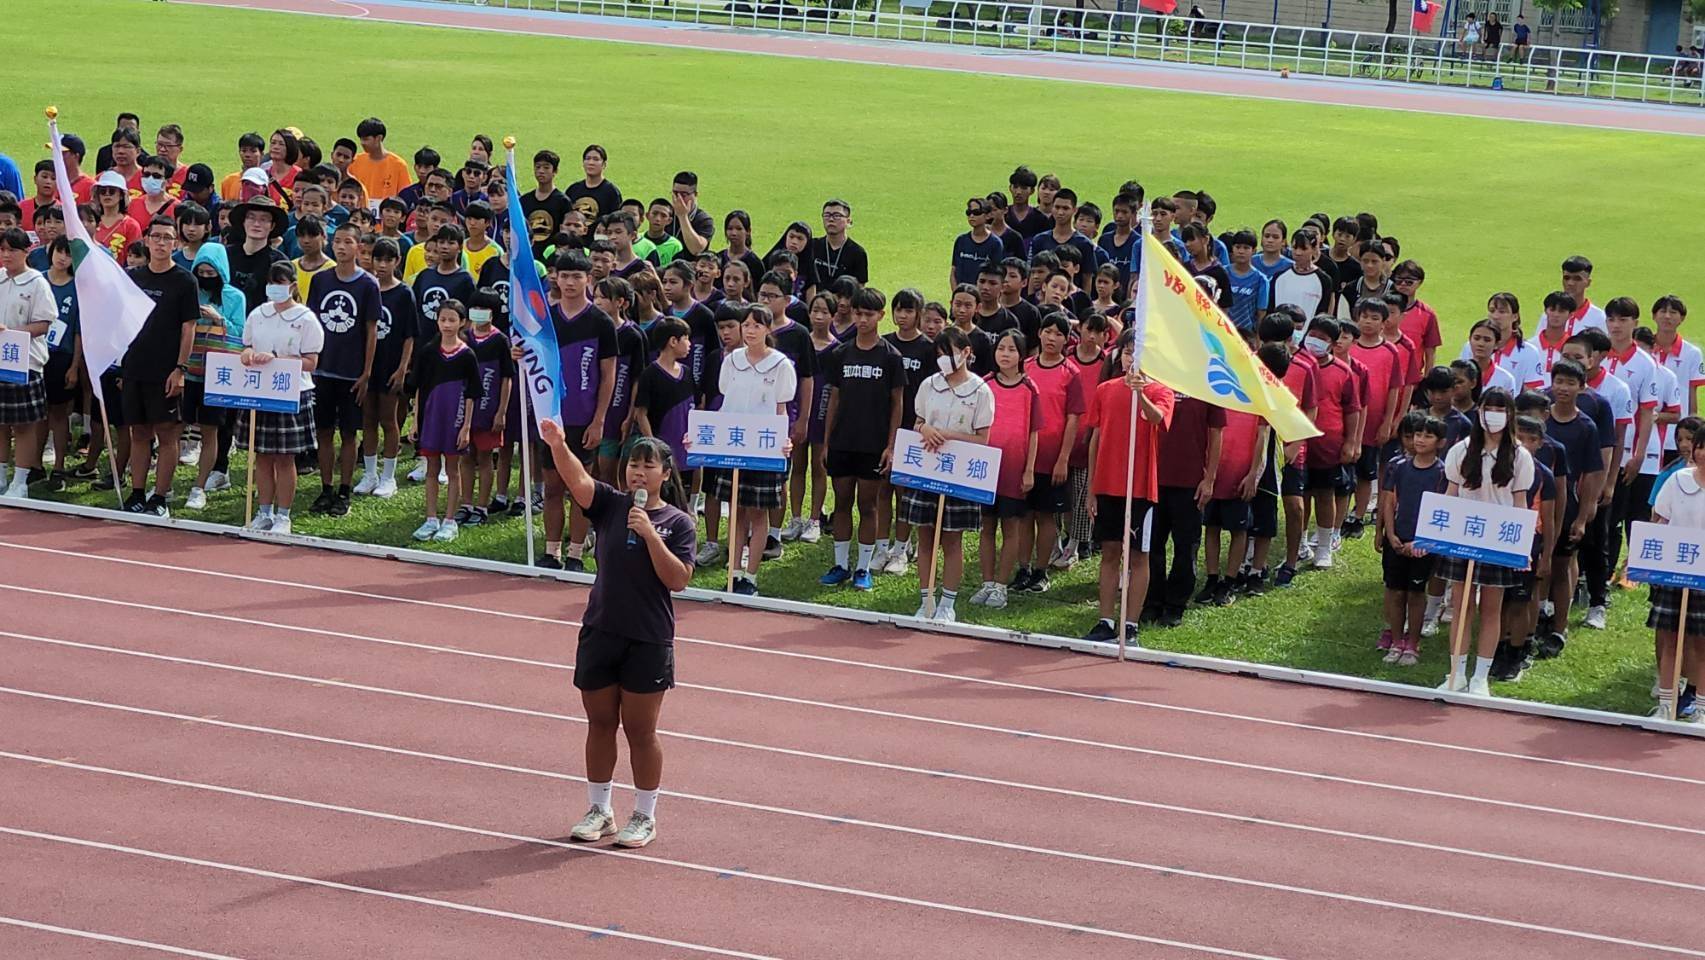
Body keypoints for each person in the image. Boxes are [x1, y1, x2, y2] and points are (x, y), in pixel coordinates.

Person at [540, 415, 694, 850]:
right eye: (632, 464)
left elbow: (678, 579)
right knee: (599, 722)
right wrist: (557, 444)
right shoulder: (609, 504)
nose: (637, 472)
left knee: (640, 731)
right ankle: (599, 809)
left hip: (647, 638)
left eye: (647, 466)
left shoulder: (678, 523)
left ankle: (644, 815)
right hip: (601, 630)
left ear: (665, 473)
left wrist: (650, 535)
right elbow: (576, 478)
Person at [1437, 388, 1535, 697]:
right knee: (1461, 604)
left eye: (1500, 409)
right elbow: (1451, 494)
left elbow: (1521, 502)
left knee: (1491, 608)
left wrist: (1523, 547)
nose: (1492, 414)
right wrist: (1436, 531)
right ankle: (1456, 673)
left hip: (1498, 536)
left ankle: (1481, 676)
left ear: (1510, 415)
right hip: (1463, 535)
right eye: (1487, 408)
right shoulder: (1461, 450)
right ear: (1478, 411)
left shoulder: (1519, 455)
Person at [1081, 328, 1175, 644]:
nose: (1131, 358)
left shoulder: (1162, 391)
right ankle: (1106, 620)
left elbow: (1157, 418)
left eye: (1139, 353)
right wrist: (1092, 488)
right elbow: (1095, 439)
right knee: (1109, 553)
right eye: (1127, 352)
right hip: (1108, 486)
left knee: (1138, 556)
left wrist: (1140, 393)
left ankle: (1130, 624)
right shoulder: (1105, 390)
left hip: (1140, 489)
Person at [705, 304, 798, 596]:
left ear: (768, 329)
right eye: (746, 325)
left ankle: (751, 577)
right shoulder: (732, 361)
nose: (751, 331)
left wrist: (784, 440)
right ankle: (733, 572)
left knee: (758, 514)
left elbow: (782, 408)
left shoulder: (781, 365)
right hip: (735, 446)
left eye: (757, 325)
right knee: (736, 511)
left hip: (764, 447)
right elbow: (724, 400)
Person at [907, 326, 995, 622]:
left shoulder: (981, 391)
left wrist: (948, 435)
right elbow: (918, 420)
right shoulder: (930, 385)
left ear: (967, 353)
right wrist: (925, 429)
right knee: (926, 537)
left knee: (952, 540)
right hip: (926, 470)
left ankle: (948, 603)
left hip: (958, 473)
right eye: (940, 354)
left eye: (951, 354)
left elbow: (982, 439)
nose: (944, 360)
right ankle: (926, 599)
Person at [820, 286, 904, 591]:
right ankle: (841, 564)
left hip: (873, 444)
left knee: (868, 506)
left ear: (881, 315)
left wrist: (891, 446)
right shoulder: (840, 353)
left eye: (869, 314)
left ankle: (863, 568)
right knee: (841, 503)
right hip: (843, 442)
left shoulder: (891, 357)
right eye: (858, 313)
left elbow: (898, 403)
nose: (863, 319)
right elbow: (834, 400)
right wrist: (827, 442)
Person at [540, 249, 617, 571]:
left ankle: (575, 553)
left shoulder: (600, 321)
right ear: (556, 277)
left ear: (589, 279)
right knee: (553, 486)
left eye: (577, 276)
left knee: (580, 488)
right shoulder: (546, 318)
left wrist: (598, 419)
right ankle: (551, 551)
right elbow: (533, 358)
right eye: (564, 275)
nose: (570, 282)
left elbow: (608, 374)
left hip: (582, 418)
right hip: (550, 417)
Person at [120, 216, 197, 515]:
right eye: (157, 237)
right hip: (135, 367)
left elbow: (188, 327)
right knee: (139, 433)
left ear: (175, 243)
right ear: (148, 240)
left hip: (166, 371)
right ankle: (137, 493)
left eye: (167, 238)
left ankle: (160, 497)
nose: (162, 243)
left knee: (167, 434)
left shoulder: (184, 281)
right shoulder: (135, 277)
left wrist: (180, 369)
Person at [241, 262, 323, 534]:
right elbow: (247, 345)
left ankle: (283, 516)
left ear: (293, 285)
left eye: (282, 282)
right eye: (272, 282)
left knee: (285, 458)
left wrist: (279, 359)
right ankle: (264, 512)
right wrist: (248, 354)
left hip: (291, 391)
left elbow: (311, 361)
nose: (276, 288)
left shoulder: (305, 318)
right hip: (260, 391)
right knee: (262, 456)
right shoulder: (258, 314)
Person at [306, 226, 381, 516]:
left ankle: (345, 490)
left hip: (352, 372)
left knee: (349, 433)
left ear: (358, 246)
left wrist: (366, 372)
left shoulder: (368, 285)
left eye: (347, 242)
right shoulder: (320, 280)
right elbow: (311, 322)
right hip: (323, 371)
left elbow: (371, 330)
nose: (341, 247)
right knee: (324, 431)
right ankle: (326, 488)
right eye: (336, 241)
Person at [973, 330, 1039, 609]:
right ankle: (987, 583)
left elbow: (1034, 433)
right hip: (985, 468)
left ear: (1021, 355)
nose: (1005, 354)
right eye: (1001, 348)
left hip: (1014, 468)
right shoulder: (984, 384)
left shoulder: (1029, 388)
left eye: (1012, 350)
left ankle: (1001, 586)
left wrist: (1029, 470)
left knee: (1010, 528)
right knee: (986, 527)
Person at [410, 300, 483, 543]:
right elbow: (419, 388)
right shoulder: (428, 352)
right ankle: (431, 518)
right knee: (431, 469)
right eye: (443, 319)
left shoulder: (467, 355)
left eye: (453, 320)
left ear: (462, 322)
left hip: (456, 417)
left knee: (453, 470)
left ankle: (450, 520)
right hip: (431, 417)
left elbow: (473, 393)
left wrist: (467, 426)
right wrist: (414, 421)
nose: (447, 324)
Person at [179, 242, 245, 511]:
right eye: (201, 272)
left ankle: (200, 486)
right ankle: (166, 484)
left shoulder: (235, 297)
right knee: (175, 428)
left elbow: (241, 334)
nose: (206, 278)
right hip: (189, 370)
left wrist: (219, 319)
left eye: (211, 272)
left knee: (211, 431)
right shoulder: (189, 292)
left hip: (218, 375)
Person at [1378, 415, 1448, 666]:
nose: (1420, 440)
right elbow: (1389, 501)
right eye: (1418, 434)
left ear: (1440, 442)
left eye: (1428, 436)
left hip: (1424, 543)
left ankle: (1412, 643)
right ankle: (1396, 641)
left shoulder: (1442, 473)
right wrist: (1391, 534)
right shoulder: (1398, 466)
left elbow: (1443, 508)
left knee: (1416, 593)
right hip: (1397, 538)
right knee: (1396, 591)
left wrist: (1422, 542)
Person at [354, 237, 416, 499]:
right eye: (377, 259)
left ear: (397, 262)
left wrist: (403, 368)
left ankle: (389, 476)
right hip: (369, 366)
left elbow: (410, 335)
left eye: (387, 260)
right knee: (368, 419)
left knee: (389, 421)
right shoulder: (368, 288)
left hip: (391, 365)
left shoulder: (404, 294)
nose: (381, 265)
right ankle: (369, 473)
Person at [0, 229, 56, 499]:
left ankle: (20, 480)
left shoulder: (37, 283)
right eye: (2, 250)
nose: (6, 255)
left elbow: (44, 323)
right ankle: (1, 475)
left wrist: (13, 333)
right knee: (0, 424)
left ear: (26, 252)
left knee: (22, 425)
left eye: (12, 250)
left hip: (25, 362)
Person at [457, 294, 514, 527]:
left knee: (485, 456)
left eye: (484, 308)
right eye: (475, 307)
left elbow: (507, 378)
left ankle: (482, 506)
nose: (478, 312)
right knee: (466, 456)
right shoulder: (464, 337)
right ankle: (466, 503)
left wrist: (501, 411)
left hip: (489, 408)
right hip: (465, 408)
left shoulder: (500, 340)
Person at [804, 199, 869, 296]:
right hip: (815, 305)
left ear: (849, 221)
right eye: (826, 215)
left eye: (837, 216)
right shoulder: (812, 246)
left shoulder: (857, 252)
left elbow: (860, 289)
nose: (831, 219)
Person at [348, 117, 412, 200]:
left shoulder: (398, 165)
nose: (362, 143)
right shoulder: (355, 161)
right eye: (361, 139)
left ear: (379, 138)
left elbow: (405, 195)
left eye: (366, 139)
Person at [951, 196, 1003, 290]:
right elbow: (953, 271)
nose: (972, 216)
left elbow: (996, 275)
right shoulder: (961, 240)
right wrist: (956, 293)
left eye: (976, 213)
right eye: (969, 213)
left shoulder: (995, 243)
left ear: (987, 215)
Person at [566, 144, 622, 222]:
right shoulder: (573, 189)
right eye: (588, 159)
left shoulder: (611, 192)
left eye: (596, 159)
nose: (591, 162)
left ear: (604, 164)